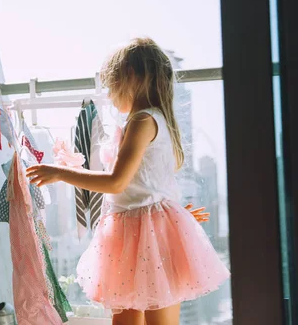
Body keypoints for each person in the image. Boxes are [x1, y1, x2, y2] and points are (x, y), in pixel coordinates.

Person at [26, 38, 230, 325]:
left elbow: (117, 183)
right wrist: (176, 217)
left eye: (112, 85)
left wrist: (60, 173)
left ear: (131, 78)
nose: (110, 95)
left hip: (139, 233)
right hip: (148, 231)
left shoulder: (142, 121)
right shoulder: (158, 120)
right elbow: (152, 183)